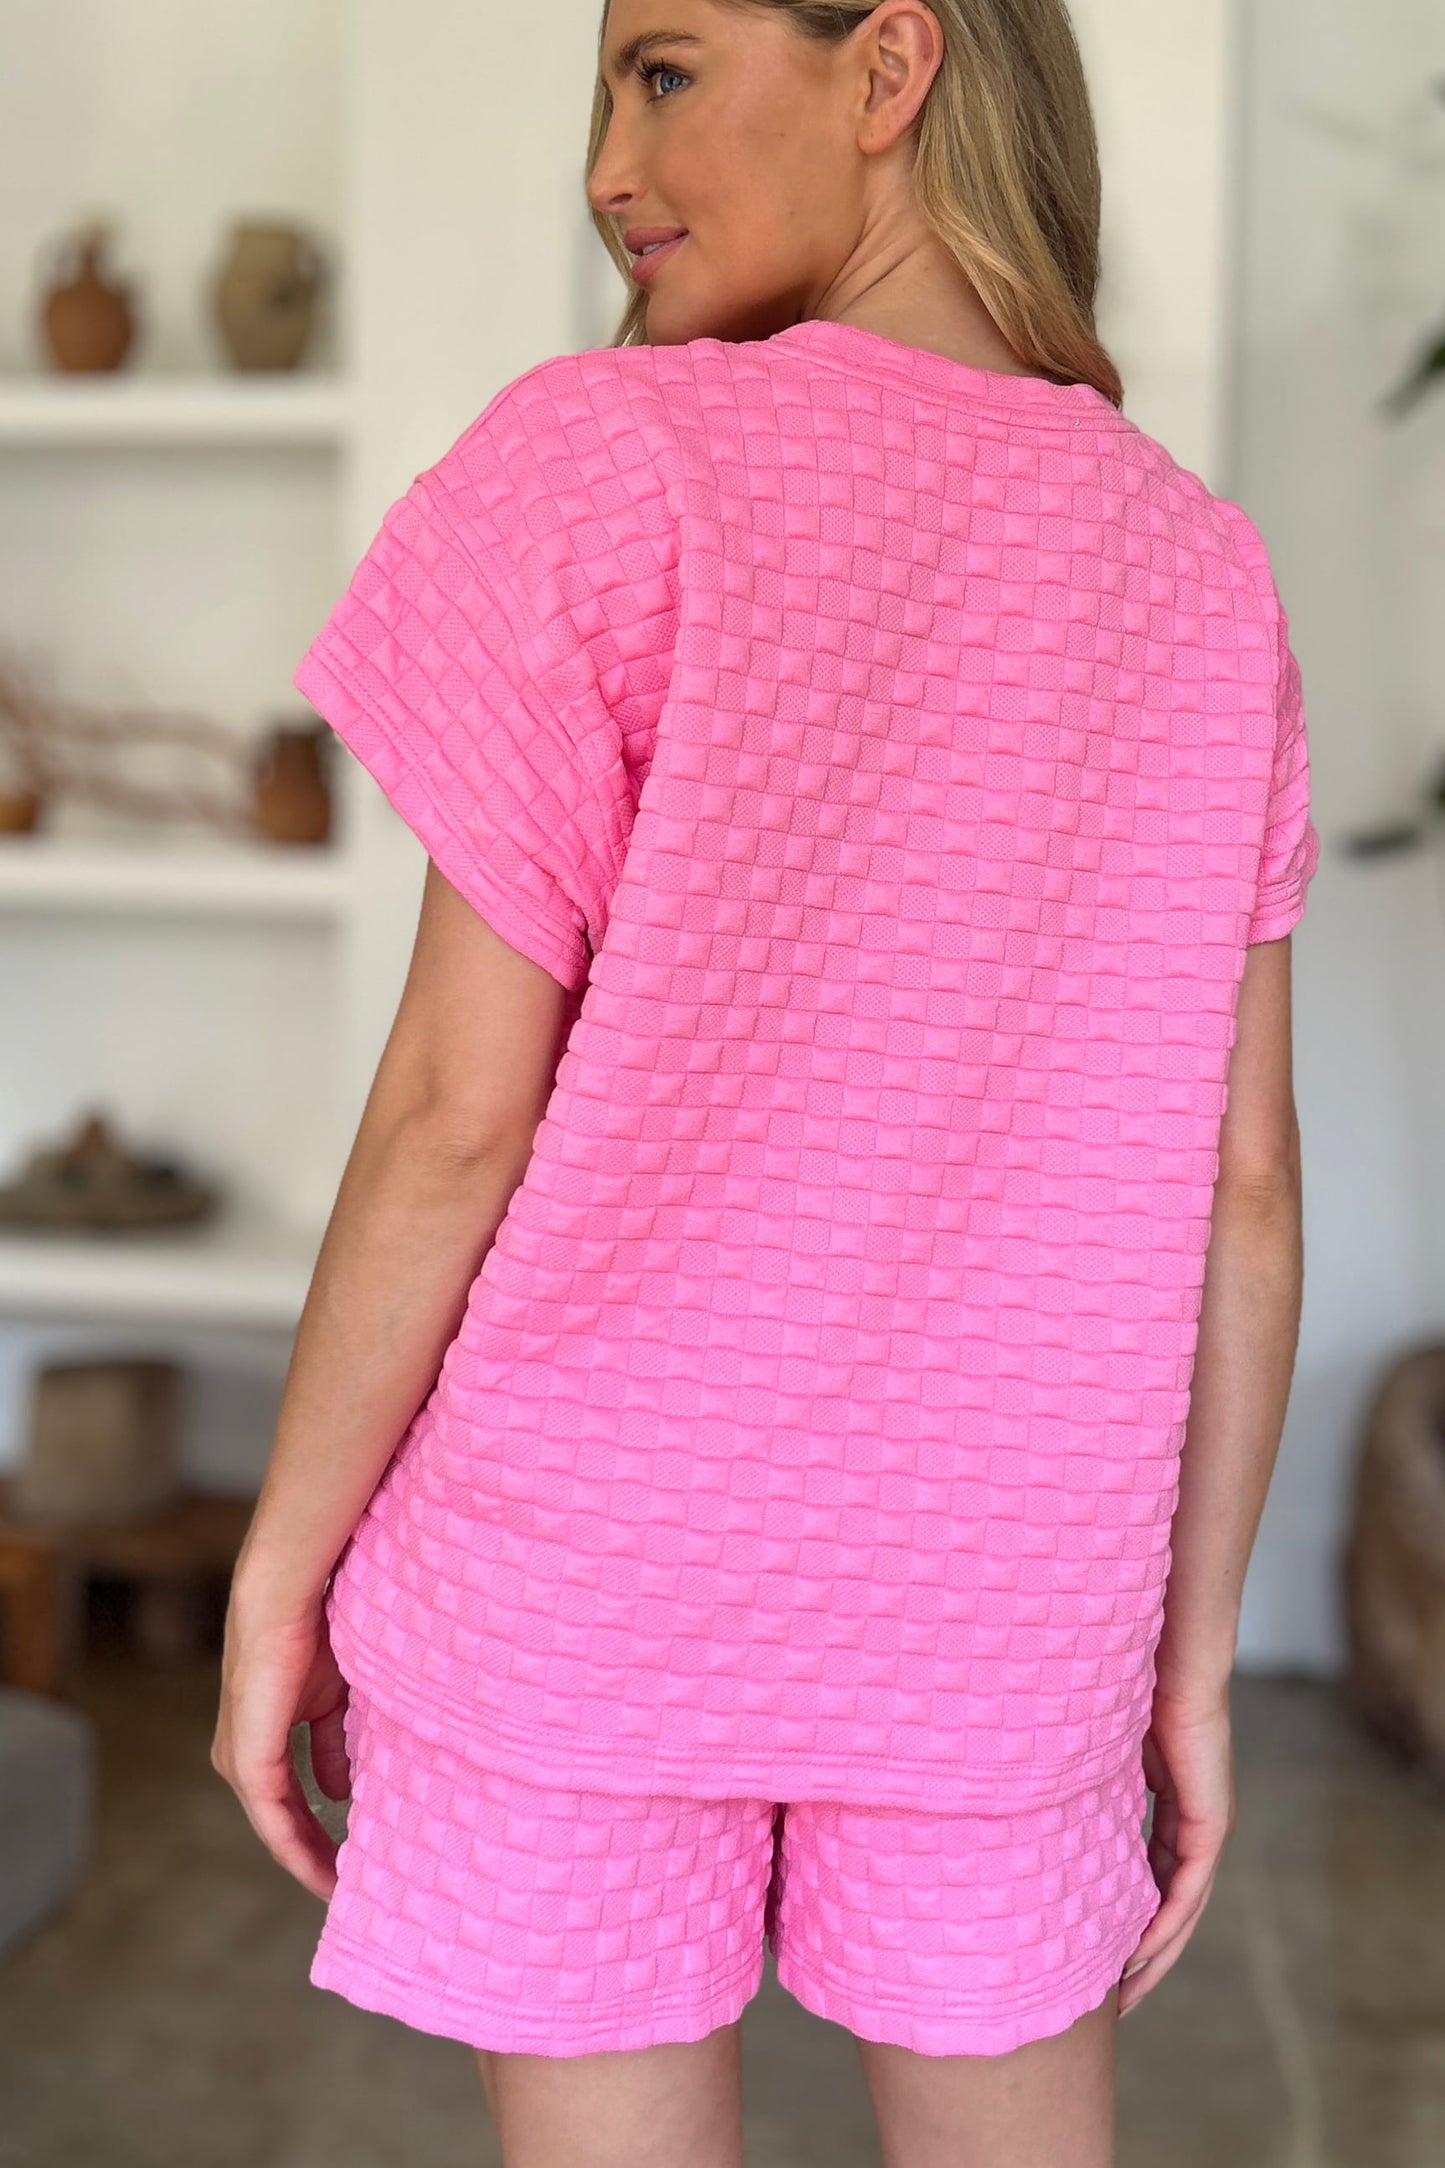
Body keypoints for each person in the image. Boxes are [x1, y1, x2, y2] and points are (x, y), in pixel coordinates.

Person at [212, 2, 1320, 2161]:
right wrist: (1180, 1664)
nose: (605, 166)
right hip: (1005, 1605)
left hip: (585, 1576)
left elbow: (455, 1113)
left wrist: (283, 1568)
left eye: (662, 69)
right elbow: (1244, 1188)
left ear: (890, 68)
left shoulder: (603, 462)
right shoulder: (1200, 571)